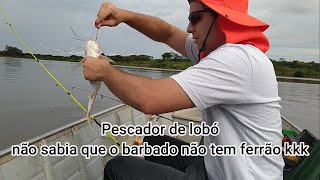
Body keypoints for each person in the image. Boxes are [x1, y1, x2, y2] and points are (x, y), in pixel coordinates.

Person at [82, 0, 285, 179]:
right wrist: (125, 15)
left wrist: (105, 73)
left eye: (195, 18)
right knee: (152, 142)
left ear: (222, 17)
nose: (189, 27)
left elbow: (149, 100)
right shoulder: (218, 51)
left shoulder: (238, 60)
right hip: (213, 163)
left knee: (117, 168)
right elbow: (168, 33)